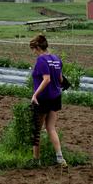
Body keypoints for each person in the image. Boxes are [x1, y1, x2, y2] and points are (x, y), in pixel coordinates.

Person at [29, 34, 67, 167]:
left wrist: (35, 94)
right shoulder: (57, 59)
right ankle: (60, 158)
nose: (33, 52)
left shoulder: (41, 60)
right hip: (55, 97)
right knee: (51, 128)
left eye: (33, 49)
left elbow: (47, 79)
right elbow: (61, 80)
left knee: (36, 130)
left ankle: (36, 160)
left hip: (43, 99)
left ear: (38, 47)